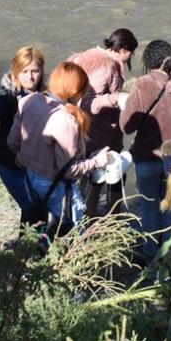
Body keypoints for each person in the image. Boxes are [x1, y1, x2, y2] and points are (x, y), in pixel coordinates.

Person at [120, 40, 171, 257]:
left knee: (148, 207)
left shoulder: (143, 84)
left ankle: (149, 254)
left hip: (148, 156)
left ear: (148, 61)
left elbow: (127, 126)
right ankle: (168, 256)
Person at [7, 62, 111, 228]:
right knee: (67, 234)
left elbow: (12, 142)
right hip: (56, 190)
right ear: (76, 92)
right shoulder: (67, 120)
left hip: (28, 179)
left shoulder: (28, 100)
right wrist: (97, 161)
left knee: (35, 226)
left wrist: (25, 158)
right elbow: (69, 171)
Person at [69, 28, 137, 217]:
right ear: (123, 50)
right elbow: (87, 102)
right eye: (131, 53)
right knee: (108, 174)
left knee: (90, 175)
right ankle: (104, 220)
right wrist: (115, 98)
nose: (130, 57)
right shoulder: (106, 66)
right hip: (100, 132)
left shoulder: (86, 55)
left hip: (83, 130)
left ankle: (84, 217)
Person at [0, 46, 46, 219]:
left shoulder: (47, 96)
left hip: (34, 162)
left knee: (40, 206)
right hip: (8, 162)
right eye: (24, 71)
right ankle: (31, 245)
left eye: (35, 71)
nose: (30, 77)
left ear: (42, 71)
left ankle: (36, 245)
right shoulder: (7, 96)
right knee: (31, 205)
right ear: (16, 72)